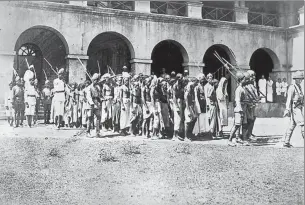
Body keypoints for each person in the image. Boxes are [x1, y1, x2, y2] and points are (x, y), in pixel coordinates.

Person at [282, 71, 304, 147]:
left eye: (301, 79)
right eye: (299, 79)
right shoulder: (292, 87)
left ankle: (286, 142)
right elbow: (288, 99)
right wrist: (287, 109)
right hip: (295, 108)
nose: (300, 80)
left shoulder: (299, 87)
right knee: (302, 124)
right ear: (295, 79)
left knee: (292, 125)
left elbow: (301, 98)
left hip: (299, 107)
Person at [228, 72, 247, 146]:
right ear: (241, 80)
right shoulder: (239, 89)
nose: (245, 80)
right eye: (244, 79)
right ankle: (229, 140)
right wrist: (240, 109)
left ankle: (238, 139)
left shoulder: (242, 88)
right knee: (236, 125)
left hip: (242, 108)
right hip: (239, 109)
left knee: (240, 125)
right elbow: (237, 100)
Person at [85, 73, 102, 138]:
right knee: (90, 118)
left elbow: (99, 95)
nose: (96, 81)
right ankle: (88, 132)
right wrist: (92, 103)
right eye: (95, 80)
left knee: (98, 117)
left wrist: (100, 99)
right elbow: (88, 97)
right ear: (93, 80)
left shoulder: (98, 87)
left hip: (96, 103)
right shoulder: (89, 88)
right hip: (90, 104)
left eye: (97, 80)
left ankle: (97, 132)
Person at [172, 73, 185, 141]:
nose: (181, 79)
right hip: (177, 102)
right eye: (180, 78)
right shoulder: (175, 86)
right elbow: (174, 97)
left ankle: (179, 134)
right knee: (177, 119)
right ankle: (175, 135)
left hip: (181, 102)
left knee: (180, 119)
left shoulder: (182, 85)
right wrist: (176, 106)